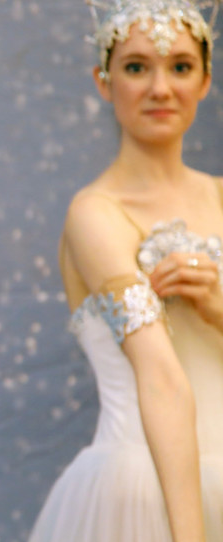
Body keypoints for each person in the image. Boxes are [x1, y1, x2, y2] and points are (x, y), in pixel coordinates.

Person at [30, 1, 223, 540]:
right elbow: (158, 374)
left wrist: (215, 306)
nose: (160, 88)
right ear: (103, 80)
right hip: (143, 491)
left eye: (180, 67)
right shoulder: (95, 213)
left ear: (206, 80)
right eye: (137, 67)